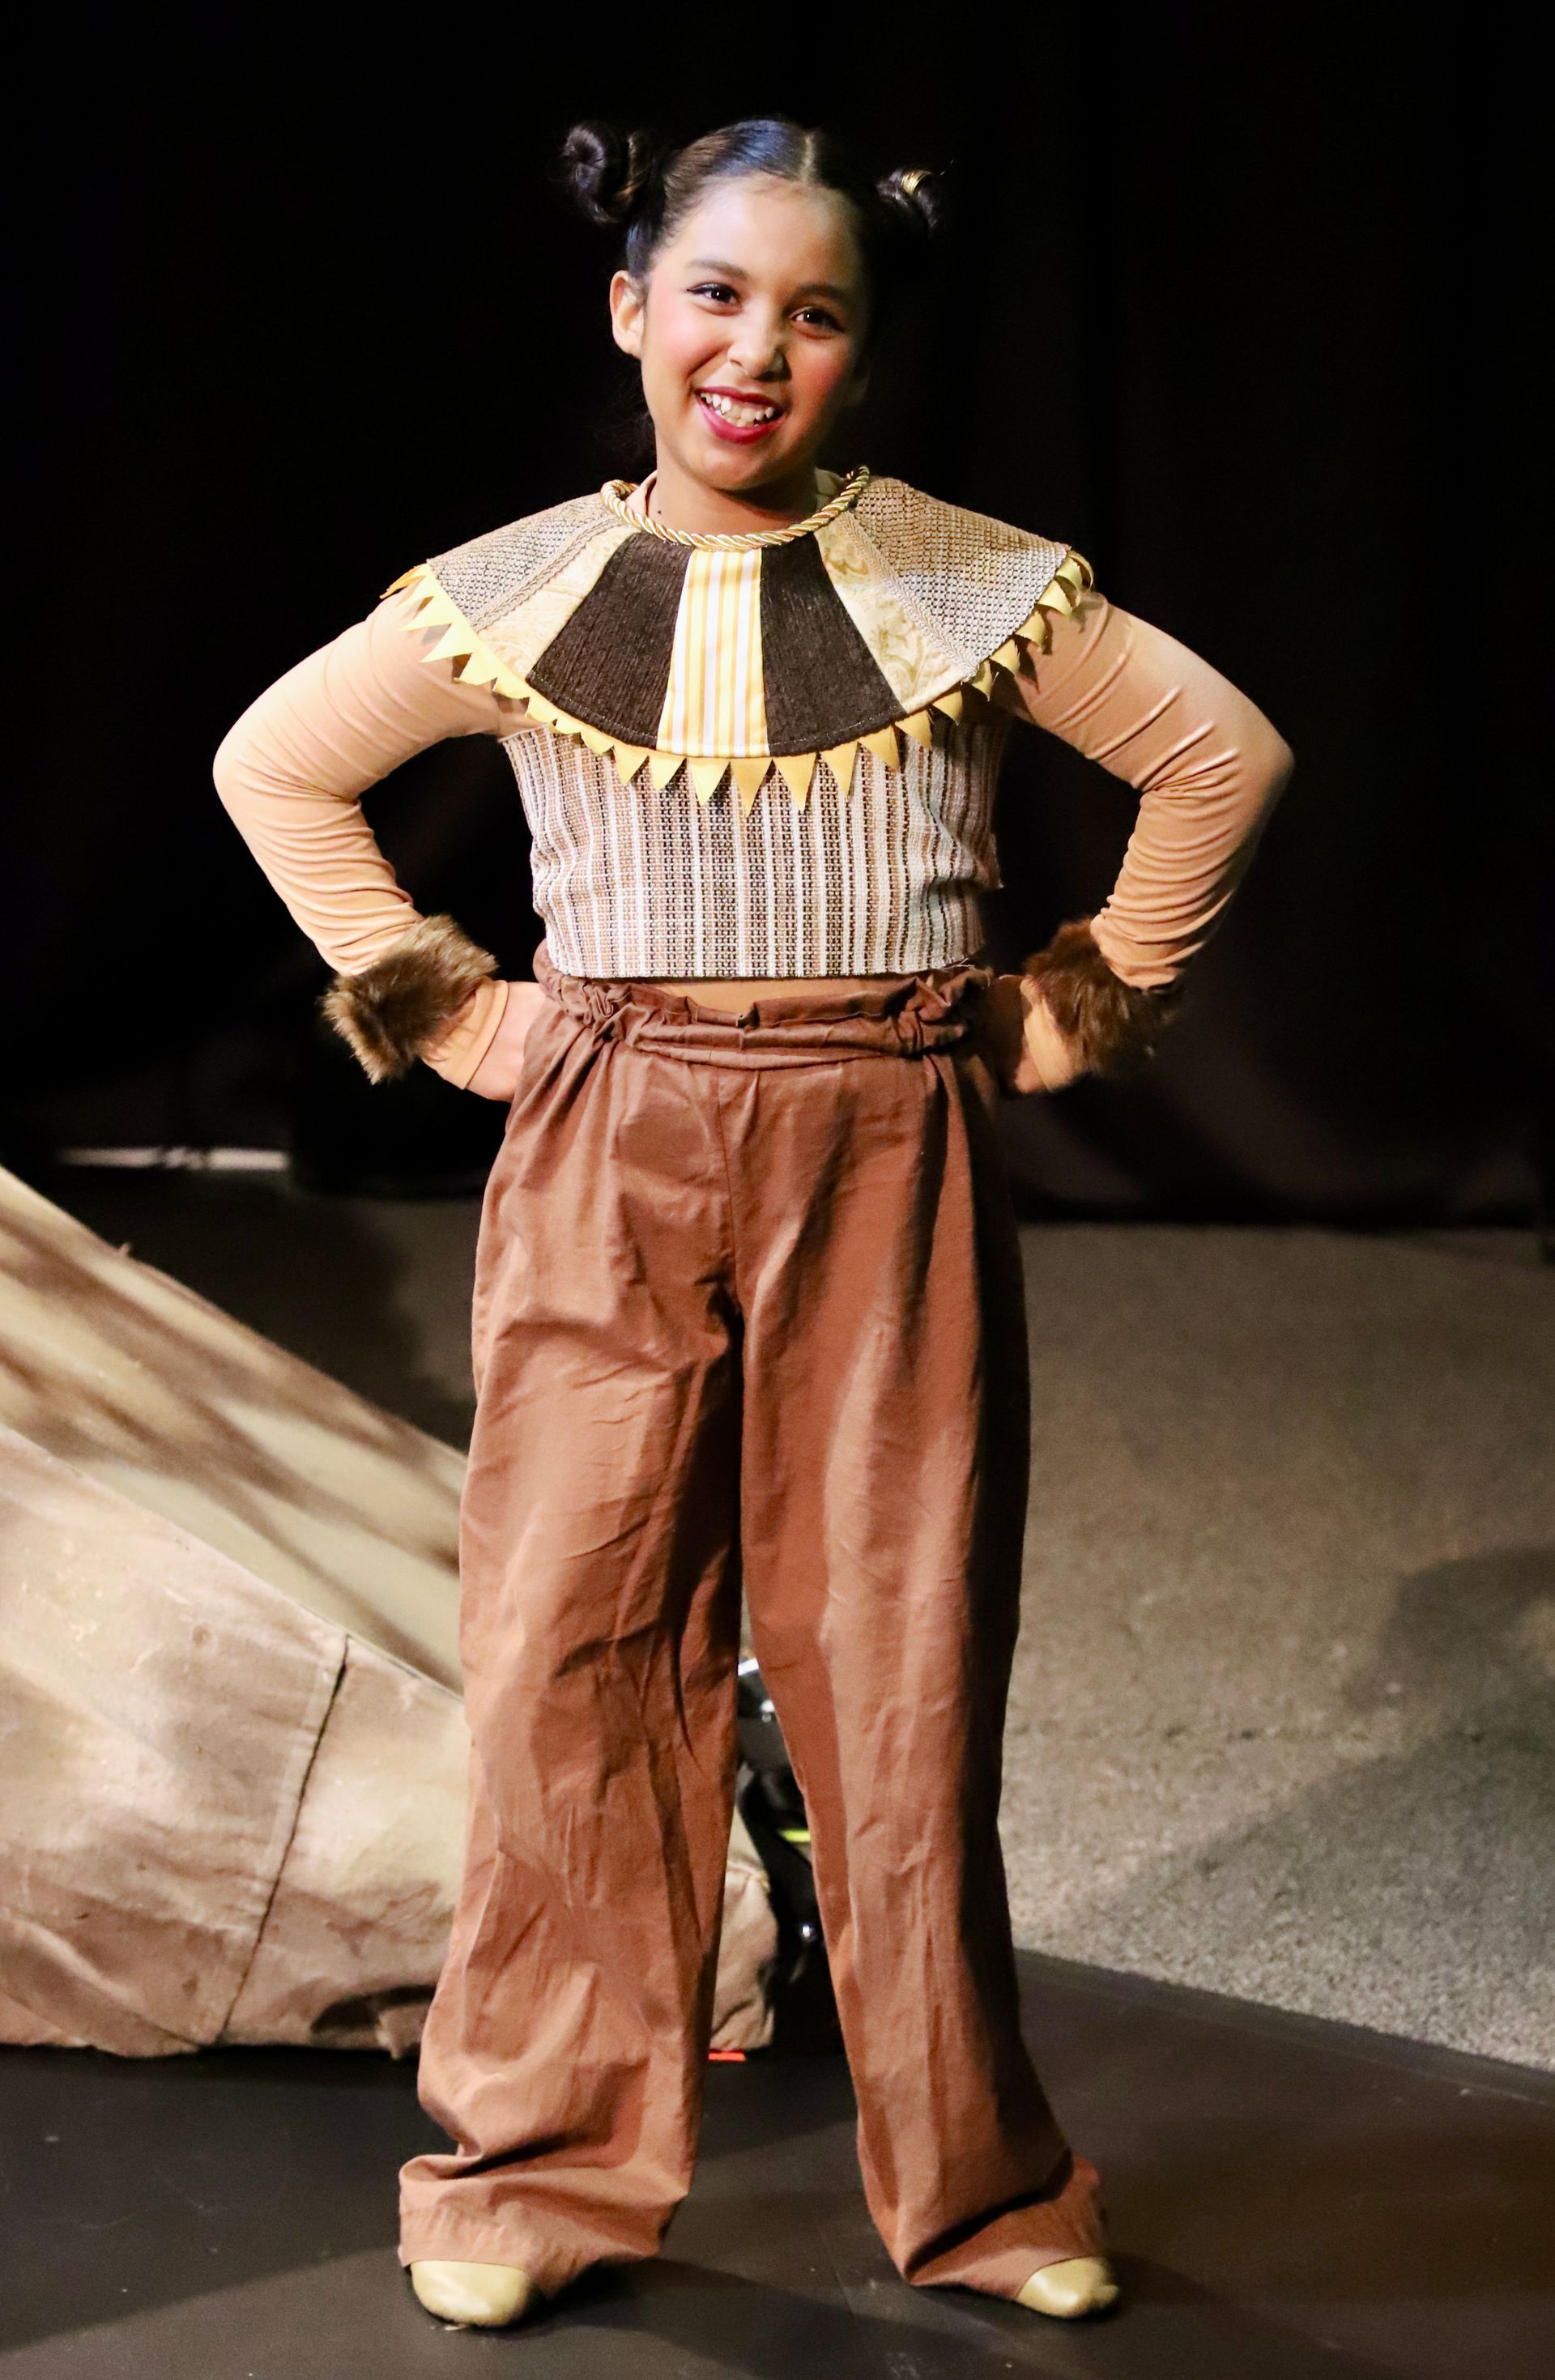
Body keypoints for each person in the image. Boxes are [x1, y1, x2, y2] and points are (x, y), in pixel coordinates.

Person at [212, 114, 1293, 2334]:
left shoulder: (966, 582)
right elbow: (277, 762)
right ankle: (527, 2170)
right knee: (572, 1658)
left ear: (862, 358)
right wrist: (467, 1021)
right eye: (714, 297)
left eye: (814, 314)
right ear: (630, 311)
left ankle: (980, 2190)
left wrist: (1071, 1014)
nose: (755, 351)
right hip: (609, 1144)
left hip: (878, 1146)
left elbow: (1220, 755)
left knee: (899, 1664)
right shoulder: (515, 592)